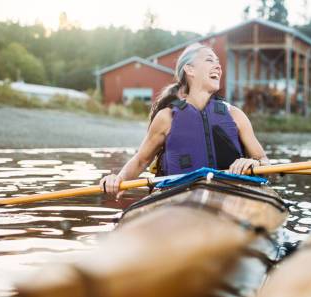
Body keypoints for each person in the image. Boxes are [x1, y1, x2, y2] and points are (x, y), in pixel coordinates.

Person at [101, 43, 269, 199]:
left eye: (218, 62)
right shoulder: (166, 117)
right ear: (190, 70)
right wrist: (119, 179)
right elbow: (141, 160)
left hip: (232, 194)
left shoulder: (236, 115)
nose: (218, 66)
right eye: (210, 60)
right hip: (179, 196)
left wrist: (253, 163)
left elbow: (264, 162)